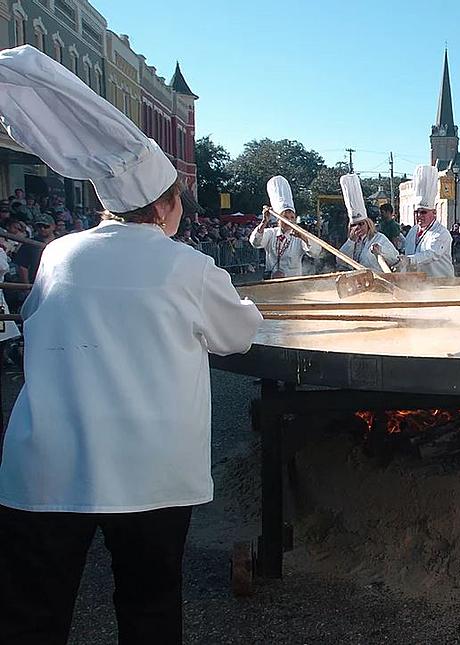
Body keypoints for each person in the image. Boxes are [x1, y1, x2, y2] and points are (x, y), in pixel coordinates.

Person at [0, 45, 263, 643]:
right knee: (148, 611)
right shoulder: (187, 266)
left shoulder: (57, 254)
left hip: (50, 464)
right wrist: (243, 303)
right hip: (148, 470)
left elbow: (41, 319)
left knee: (31, 618)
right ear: (166, 205)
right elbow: (239, 334)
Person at [249, 176, 321, 278]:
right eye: (285, 217)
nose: (289, 220)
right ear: (279, 219)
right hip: (271, 283)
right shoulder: (271, 233)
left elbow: (315, 252)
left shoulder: (299, 236)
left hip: (293, 283)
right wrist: (264, 221)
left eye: (292, 217)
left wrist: (303, 237)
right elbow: (255, 242)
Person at [400, 165, 454, 277]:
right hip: (418, 284)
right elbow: (407, 253)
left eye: (423, 212)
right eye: (417, 212)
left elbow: (431, 254)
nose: (419, 215)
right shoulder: (413, 231)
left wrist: (410, 260)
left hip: (441, 284)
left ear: (434, 213)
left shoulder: (441, 233)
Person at [337, 173, 398, 273]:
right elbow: (340, 260)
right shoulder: (352, 242)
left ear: (368, 223)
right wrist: (351, 241)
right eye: (354, 225)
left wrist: (381, 250)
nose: (357, 228)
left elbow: (395, 258)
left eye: (361, 224)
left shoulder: (379, 238)